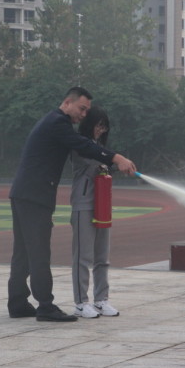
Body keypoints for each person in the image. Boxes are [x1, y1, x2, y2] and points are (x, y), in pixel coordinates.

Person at [7, 87, 136, 322]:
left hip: (25, 193)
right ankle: (45, 306)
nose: (84, 114)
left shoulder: (53, 121)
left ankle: (17, 302)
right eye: (82, 108)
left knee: (23, 252)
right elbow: (83, 145)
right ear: (67, 102)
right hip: (34, 195)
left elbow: (85, 144)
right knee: (38, 252)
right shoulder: (58, 123)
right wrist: (117, 157)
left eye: (86, 110)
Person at [70, 107, 119, 318]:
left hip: (102, 206)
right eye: (98, 125)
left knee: (102, 256)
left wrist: (114, 163)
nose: (100, 130)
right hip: (84, 204)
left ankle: (101, 299)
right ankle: (81, 302)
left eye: (104, 127)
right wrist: (114, 160)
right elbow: (95, 157)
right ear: (89, 124)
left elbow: (104, 158)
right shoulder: (80, 146)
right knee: (83, 256)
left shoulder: (100, 148)